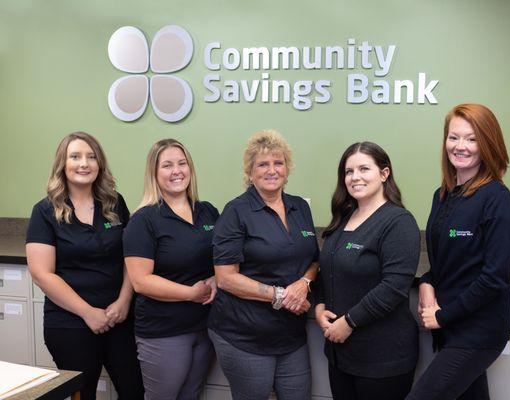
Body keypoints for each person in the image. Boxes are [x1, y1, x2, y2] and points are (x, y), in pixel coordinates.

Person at [407, 104, 510, 400]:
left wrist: (443, 316)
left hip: (478, 331)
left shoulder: (496, 199)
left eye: (471, 139)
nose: (460, 147)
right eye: (454, 137)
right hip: (451, 327)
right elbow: (447, 262)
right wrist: (428, 282)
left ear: (488, 144)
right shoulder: (442, 194)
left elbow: (493, 277)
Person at [25, 131, 143, 400]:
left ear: (99, 164)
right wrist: (88, 313)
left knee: (135, 391)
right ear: (62, 165)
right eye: (75, 156)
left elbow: (130, 257)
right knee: (82, 394)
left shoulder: (114, 203)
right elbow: (42, 274)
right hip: (70, 322)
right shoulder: (45, 212)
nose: (84, 163)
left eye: (91, 157)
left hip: (119, 318)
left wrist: (125, 301)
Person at [208, 129, 319, 400]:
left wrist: (304, 283)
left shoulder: (299, 207)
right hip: (245, 336)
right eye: (263, 164)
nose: (272, 170)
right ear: (250, 171)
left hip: (291, 336)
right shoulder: (236, 211)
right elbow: (226, 278)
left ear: (287, 168)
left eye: (278, 163)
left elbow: (314, 259)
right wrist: (282, 296)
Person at [314, 141, 420, 400]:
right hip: (341, 354)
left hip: (382, 358)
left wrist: (349, 322)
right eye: (349, 171)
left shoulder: (398, 222)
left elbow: (393, 287)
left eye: (364, 169)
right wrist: (318, 305)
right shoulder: (344, 217)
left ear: (384, 174)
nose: (355, 177)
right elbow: (327, 270)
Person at [123, 138, 218, 400]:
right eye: (167, 165)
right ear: (154, 173)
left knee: (191, 395)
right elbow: (141, 281)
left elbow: (224, 260)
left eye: (182, 163)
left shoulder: (208, 212)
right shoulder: (144, 220)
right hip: (164, 331)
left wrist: (215, 279)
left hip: (204, 326)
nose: (176, 171)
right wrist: (191, 293)